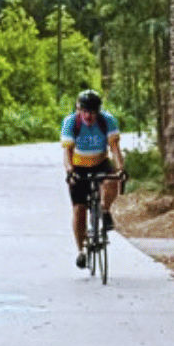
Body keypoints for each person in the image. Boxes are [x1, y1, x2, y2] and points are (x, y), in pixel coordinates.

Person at [61, 89, 124, 268]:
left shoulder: (107, 121)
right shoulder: (71, 122)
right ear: (78, 109)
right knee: (79, 209)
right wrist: (69, 171)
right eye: (85, 111)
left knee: (113, 179)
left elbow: (115, 149)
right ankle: (81, 250)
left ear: (98, 111)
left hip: (101, 162)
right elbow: (67, 153)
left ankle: (104, 210)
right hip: (78, 166)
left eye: (93, 112)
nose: (88, 116)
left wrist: (121, 169)